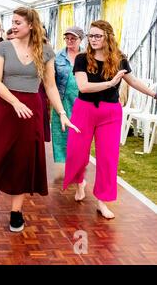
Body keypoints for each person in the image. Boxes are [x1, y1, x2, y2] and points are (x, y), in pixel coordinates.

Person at [0, 7, 79, 232]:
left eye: (18, 22)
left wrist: (62, 113)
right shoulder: (3, 47)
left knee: (24, 159)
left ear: (31, 25)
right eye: (12, 21)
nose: (13, 25)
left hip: (31, 109)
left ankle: (16, 211)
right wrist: (14, 102)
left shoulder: (46, 51)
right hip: (5, 106)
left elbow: (50, 86)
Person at [63, 20, 157, 219]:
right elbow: (84, 87)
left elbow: (132, 81)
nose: (93, 39)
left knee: (108, 158)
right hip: (84, 110)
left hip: (110, 113)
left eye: (97, 36)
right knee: (77, 154)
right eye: (91, 36)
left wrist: (153, 94)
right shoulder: (82, 58)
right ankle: (80, 182)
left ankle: (102, 201)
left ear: (108, 37)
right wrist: (111, 83)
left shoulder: (119, 59)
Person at [51, 27, 84, 171]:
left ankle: (78, 160)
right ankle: (66, 162)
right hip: (62, 97)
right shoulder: (58, 57)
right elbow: (51, 80)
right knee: (62, 130)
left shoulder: (87, 56)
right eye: (67, 38)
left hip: (82, 98)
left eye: (73, 38)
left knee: (80, 131)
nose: (69, 41)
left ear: (80, 40)